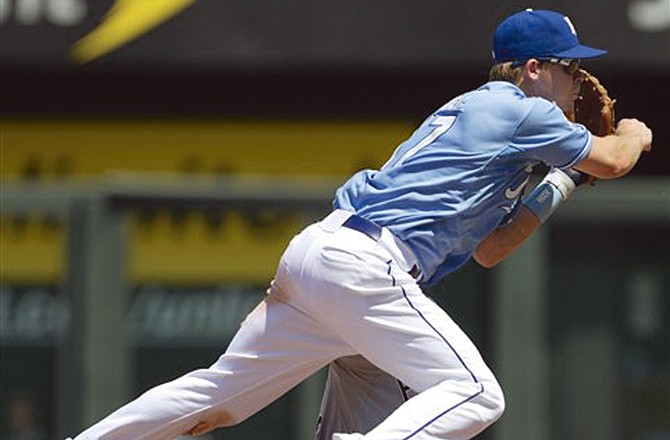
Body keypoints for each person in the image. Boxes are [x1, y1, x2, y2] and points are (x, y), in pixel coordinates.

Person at [67, 8, 652, 440]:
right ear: (531, 69)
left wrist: (563, 180)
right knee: (476, 394)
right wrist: (632, 134)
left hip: (325, 261)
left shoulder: (494, 130)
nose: (578, 82)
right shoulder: (515, 108)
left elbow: (493, 249)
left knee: (219, 396)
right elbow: (618, 157)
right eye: (570, 68)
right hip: (367, 265)